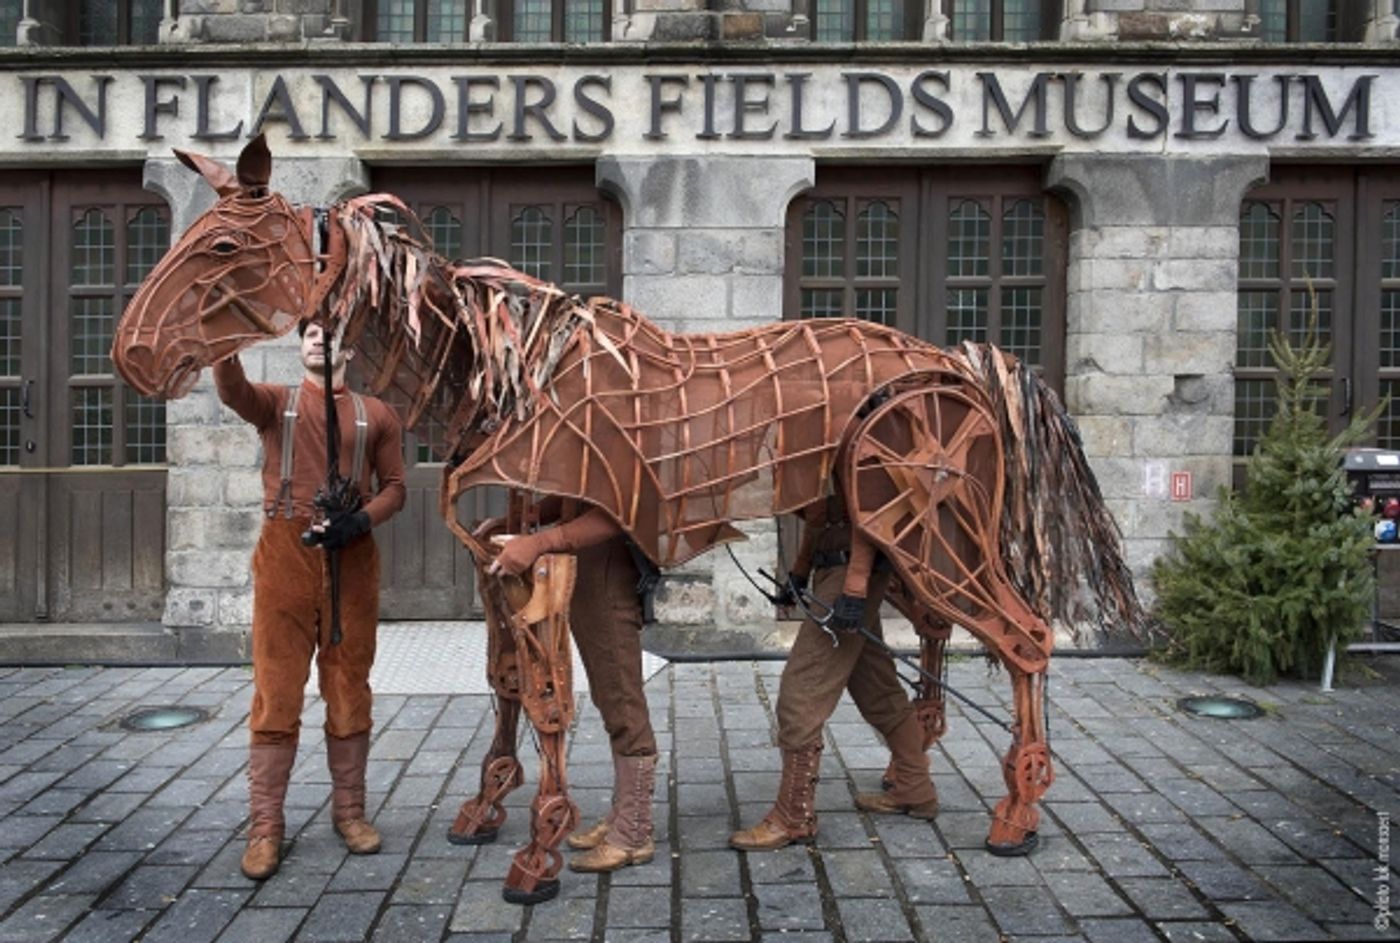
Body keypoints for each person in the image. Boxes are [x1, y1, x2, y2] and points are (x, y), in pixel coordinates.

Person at [213, 322, 406, 881]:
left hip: (353, 559)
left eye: (333, 333)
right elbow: (232, 390)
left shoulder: (376, 414)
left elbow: (396, 487)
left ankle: (350, 813)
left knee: (349, 682)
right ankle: (265, 827)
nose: (321, 341)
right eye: (312, 334)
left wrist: (359, 520)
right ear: (300, 346)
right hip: (285, 554)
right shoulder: (276, 404)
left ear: (350, 347)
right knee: (276, 688)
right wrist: (223, 338)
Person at [729, 492, 939, 851]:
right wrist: (799, 572)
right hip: (838, 572)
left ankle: (793, 816)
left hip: (852, 573)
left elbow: (870, 504)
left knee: (801, 690)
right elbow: (819, 515)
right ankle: (915, 787)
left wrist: (855, 585)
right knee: (876, 687)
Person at [487, 506, 660, 873]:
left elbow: (618, 511)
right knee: (609, 698)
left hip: (610, 576)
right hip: (591, 575)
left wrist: (539, 542)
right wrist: (528, 514)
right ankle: (622, 815)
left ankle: (634, 833)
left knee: (622, 699)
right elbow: (579, 497)